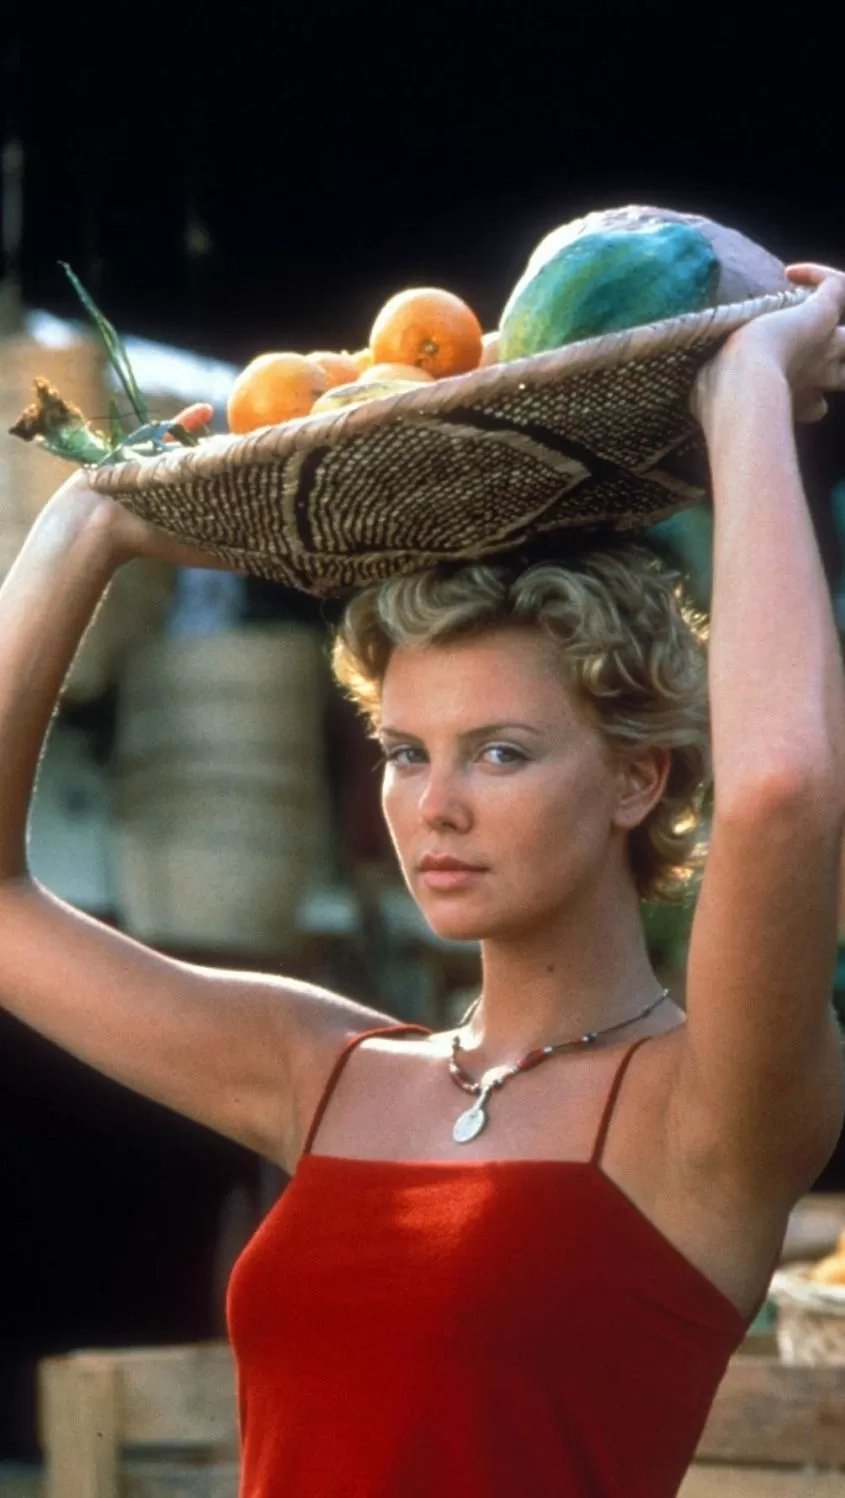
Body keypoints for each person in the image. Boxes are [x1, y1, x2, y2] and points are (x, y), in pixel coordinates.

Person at [1, 262, 844, 1497]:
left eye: (499, 752)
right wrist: (91, 523)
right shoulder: (322, 1071)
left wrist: (742, 392)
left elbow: (780, 794)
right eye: (405, 752)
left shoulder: (707, 1111)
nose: (434, 805)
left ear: (636, 777)